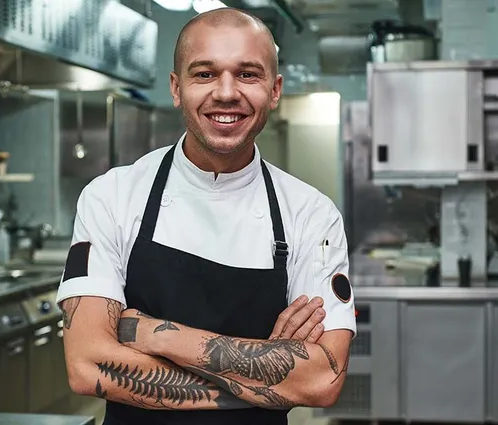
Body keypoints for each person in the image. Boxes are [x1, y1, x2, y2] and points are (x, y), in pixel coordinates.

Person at [56, 7, 356, 425]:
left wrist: (147, 332)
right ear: (177, 88)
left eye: (248, 74)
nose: (227, 93)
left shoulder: (311, 214)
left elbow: (323, 378)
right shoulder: (112, 196)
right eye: (205, 74)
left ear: (275, 89)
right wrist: (267, 379)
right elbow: (88, 366)